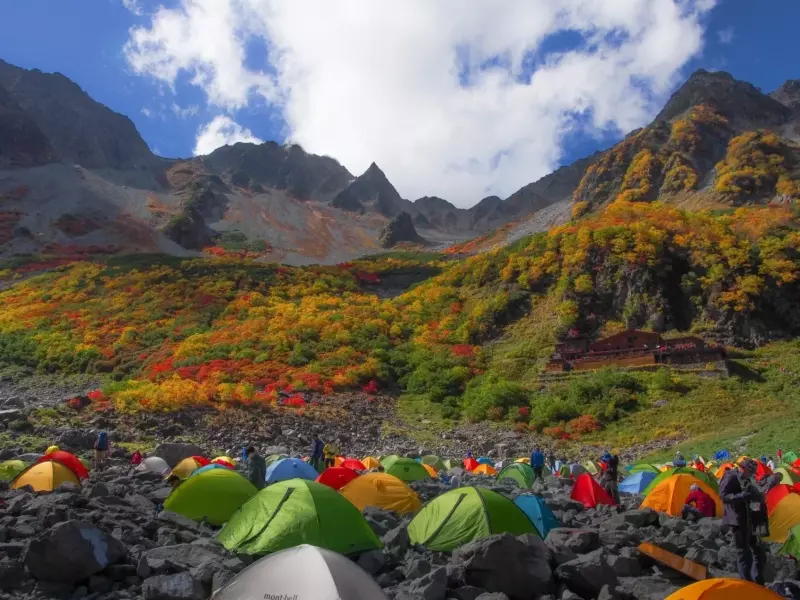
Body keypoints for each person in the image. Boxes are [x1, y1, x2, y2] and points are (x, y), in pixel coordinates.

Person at [720, 459, 767, 584]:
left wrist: (759, 497)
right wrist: (742, 496)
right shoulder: (730, 477)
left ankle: (756, 580)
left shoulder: (745, 479)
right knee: (743, 553)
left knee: (758, 551)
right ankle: (746, 583)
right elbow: (724, 496)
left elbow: (751, 493)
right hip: (736, 520)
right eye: (751, 472)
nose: (752, 475)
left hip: (747, 519)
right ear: (744, 469)